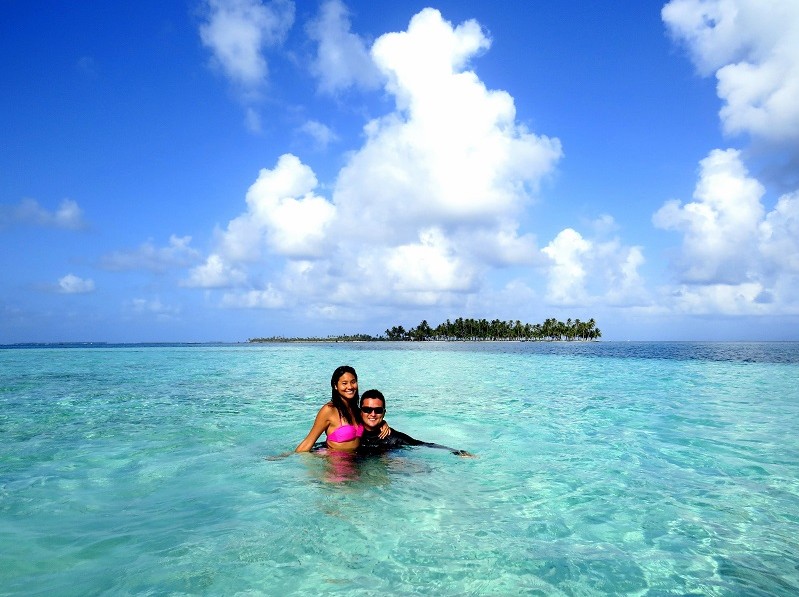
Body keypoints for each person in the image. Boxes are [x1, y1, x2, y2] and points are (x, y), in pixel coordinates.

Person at [295, 365, 388, 453]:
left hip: (357, 461)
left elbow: (370, 420)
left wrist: (383, 423)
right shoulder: (329, 410)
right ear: (335, 386)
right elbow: (308, 441)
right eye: (344, 383)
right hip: (335, 463)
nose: (350, 387)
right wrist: (293, 461)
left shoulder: (355, 410)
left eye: (353, 382)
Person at [357, 389, 473, 457]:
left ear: (384, 413)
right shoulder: (353, 432)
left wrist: (456, 452)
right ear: (360, 411)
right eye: (367, 409)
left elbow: (422, 444)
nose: (373, 414)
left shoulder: (393, 438)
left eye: (378, 410)